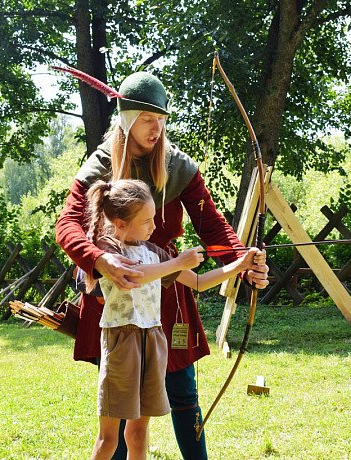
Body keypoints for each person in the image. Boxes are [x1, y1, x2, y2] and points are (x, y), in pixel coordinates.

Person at [56, 71, 269, 459]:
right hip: (115, 294)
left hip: (167, 295)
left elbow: (213, 227)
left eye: (162, 119)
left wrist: (244, 260)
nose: (157, 129)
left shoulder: (177, 166)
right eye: (147, 119)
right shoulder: (102, 164)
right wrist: (100, 259)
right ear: (126, 120)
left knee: (183, 392)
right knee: (120, 409)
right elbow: (67, 225)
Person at [84, 179, 265, 460]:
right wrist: (177, 262)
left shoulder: (152, 251)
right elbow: (133, 276)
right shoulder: (107, 249)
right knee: (109, 439)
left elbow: (197, 281)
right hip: (122, 342)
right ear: (120, 224)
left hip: (153, 340)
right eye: (146, 221)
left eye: (153, 218)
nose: (153, 227)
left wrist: (240, 264)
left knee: (138, 433)